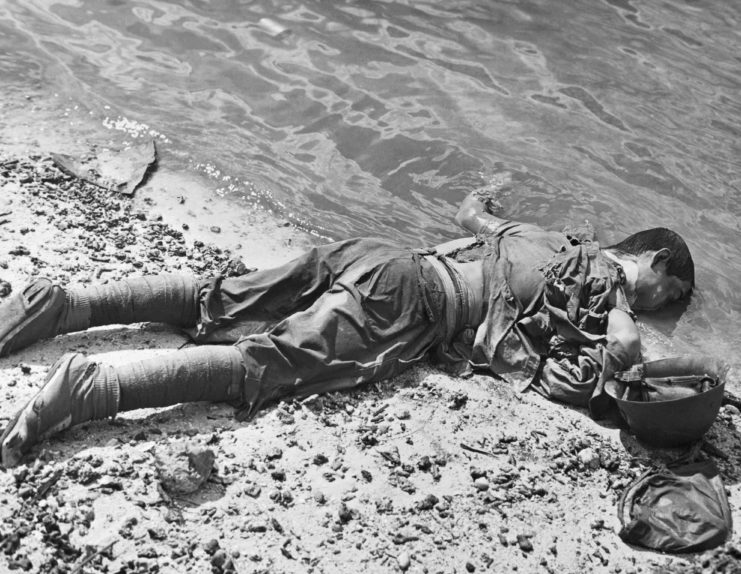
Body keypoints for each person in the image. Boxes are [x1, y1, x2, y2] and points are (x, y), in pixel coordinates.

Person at [0, 191, 694, 467]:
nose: (669, 303)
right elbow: (626, 342)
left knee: (225, 294)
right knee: (265, 364)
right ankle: (93, 385)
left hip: (381, 256)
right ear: (651, 260)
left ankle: (68, 306)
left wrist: (485, 195)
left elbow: (469, 214)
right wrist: (627, 361)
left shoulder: (550, 236)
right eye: (675, 292)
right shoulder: (605, 277)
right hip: (409, 304)